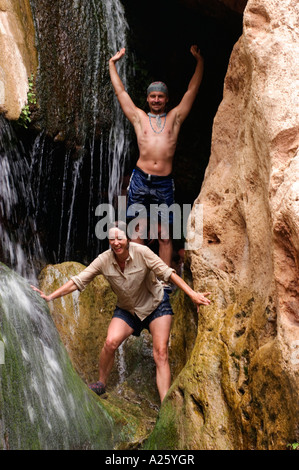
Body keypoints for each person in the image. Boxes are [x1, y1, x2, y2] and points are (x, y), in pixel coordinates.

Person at [31, 222, 210, 403]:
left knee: (161, 352)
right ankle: (101, 383)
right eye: (112, 239)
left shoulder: (142, 252)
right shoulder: (104, 259)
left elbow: (169, 273)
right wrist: (50, 296)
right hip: (127, 310)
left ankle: (165, 405)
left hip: (156, 306)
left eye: (120, 238)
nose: (116, 243)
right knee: (110, 342)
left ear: (128, 239)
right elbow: (78, 281)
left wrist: (193, 295)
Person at [109, 45, 204, 269]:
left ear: (167, 99)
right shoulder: (139, 117)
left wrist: (200, 62)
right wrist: (112, 64)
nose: (156, 100)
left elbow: (192, 90)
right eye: (153, 96)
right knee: (138, 230)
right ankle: (136, 275)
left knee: (164, 234)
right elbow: (121, 93)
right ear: (147, 98)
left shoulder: (175, 118)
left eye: (160, 97)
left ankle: (164, 281)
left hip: (163, 183)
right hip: (141, 179)